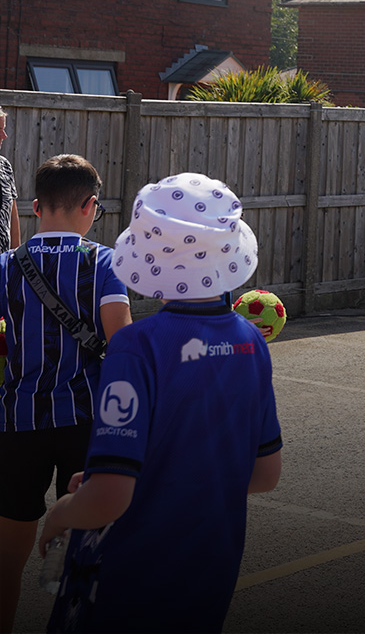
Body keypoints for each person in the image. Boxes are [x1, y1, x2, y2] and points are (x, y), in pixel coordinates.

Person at [39, 173, 282, 634]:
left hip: (126, 580)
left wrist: (63, 512)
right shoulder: (252, 342)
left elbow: (110, 498)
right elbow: (265, 473)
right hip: (210, 572)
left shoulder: (136, 347)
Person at [0, 154, 131, 634]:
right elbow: (121, 346)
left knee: (7, 556)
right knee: (85, 551)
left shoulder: (6, 265)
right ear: (91, 206)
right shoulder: (105, 263)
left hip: (16, 423)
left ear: (35, 207)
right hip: (85, 423)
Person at [0, 106, 20, 253]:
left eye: (4, 128)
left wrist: (15, 259)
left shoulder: (4, 165)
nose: (4, 135)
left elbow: (13, 215)